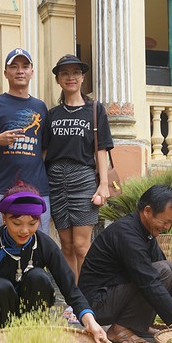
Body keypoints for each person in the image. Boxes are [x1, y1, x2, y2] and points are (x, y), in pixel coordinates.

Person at [0, 182, 106, 343]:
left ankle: (33, 337)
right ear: (4, 218)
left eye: (32, 223)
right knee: (1, 287)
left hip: (26, 310)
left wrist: (90, 322)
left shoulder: (44, 245)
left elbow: (71, 289)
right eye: (17, 223)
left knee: (39, 277)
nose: (25, 230)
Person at [78, 185, 172, 343]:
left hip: (112, 293)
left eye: (171, 222)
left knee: (168, 269)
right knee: (161, 273)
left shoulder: (144, 232)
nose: (167, 227)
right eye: (165, 221)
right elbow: (150, 283)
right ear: (147, 211)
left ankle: (136, 325)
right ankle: (119, 330)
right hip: (96, 304)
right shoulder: (127, 234)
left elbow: (167, 272)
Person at [43, 54, 113, 280]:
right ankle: (73, 298)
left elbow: (101, 149)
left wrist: (103, 185)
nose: (70, 77)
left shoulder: (94, 110)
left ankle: (87, 297)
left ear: (83, 77)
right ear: (58, 80)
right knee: (66, 245)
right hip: (55, 179)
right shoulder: (52, 114)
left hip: (82, 178)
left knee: (82, 246)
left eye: (75, 72)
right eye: (64, 73)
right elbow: (44, 152)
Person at [0, 48, 51, 235]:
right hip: (1, 188)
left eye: (25, 66)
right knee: (0, 244)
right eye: (14, 67)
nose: (20, 71)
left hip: (37, 190)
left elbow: (44, 148)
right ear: (6, 73)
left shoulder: (40, 107)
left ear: (32, 72)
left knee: (40, 246)